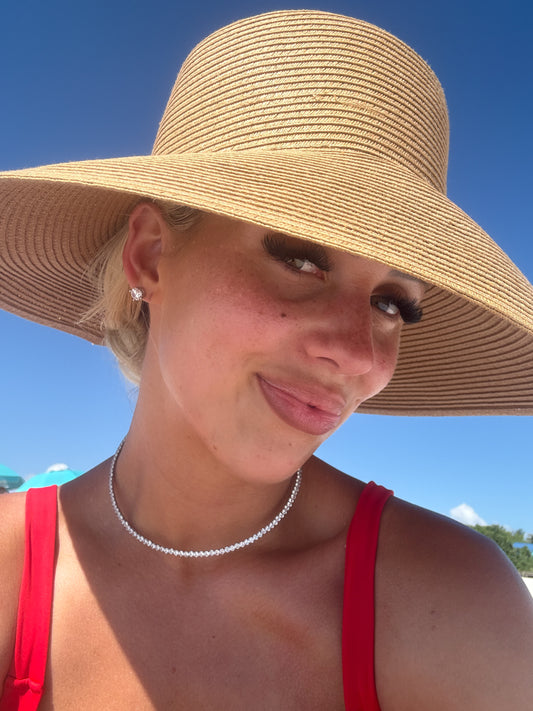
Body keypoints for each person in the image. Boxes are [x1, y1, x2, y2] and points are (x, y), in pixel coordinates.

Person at [0, 9, 532, 710]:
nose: (355, 352)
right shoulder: (9, 573)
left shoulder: (454, 608)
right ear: (150, 255)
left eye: (392, 304)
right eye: (301, 259)